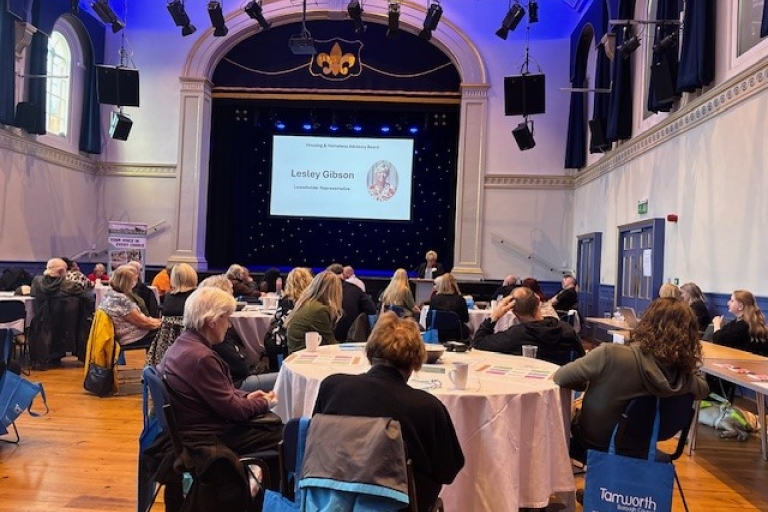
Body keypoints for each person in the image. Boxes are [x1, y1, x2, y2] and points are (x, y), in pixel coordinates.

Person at [312, 311, 465, 512]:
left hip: (328, 501)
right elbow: (448, 472)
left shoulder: (331, 387)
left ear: (370, 351)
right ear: (415, 361)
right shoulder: (428, 407)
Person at [553, 298, 709, 459]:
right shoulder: (684, 375)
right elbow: (703, 389)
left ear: (647, 322)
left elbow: (561, 377)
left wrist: (592, 383)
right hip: (644, 445)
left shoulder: (610, 355)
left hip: (597, 441)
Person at [158, 286, 282, 462]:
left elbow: (219, 395)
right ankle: (262, 486)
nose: (229, 325)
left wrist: (246, 397)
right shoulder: (202, 358)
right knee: (284, 435)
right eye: (227, 318)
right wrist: (264, 403)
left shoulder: (181, 345)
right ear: (212, 321)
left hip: (192, 430)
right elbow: (233, 410)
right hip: (208, 436)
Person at [198, 275, 276, 392]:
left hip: (231, 385)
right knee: (286, 378)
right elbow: (241, 369)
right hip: (236, 385)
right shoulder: (215, 333)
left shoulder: (194, 335)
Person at [473, 286, 584, 365]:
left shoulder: (515, 335)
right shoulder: (566, 328)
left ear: (514, 312)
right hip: (562, 386)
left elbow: (478, 343)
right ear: (538, 301)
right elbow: (581, 357)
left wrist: (495, 315)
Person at [264, 267, 313, 370]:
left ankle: (274, 371)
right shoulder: (312, 302)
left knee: (271, 335)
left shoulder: (286, 300)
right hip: (304, 340)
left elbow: (277, 318)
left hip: (283, 342)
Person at [98, 265, 161, 346]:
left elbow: (143, 319)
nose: (135, 283)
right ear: (126, 282)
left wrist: (158, 321)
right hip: (132, 338)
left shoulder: (110, 295)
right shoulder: (121, 300)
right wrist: (162, 324)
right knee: (167, 333)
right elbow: (144, 323)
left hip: (125, 334)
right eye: (133, 280)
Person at [285, 271, 343, 354]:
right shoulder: (319, 310)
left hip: (295, 351)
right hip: (303, 355)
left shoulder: (306, 303)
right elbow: (331, 343)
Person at [327, 263, 376, 341]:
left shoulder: (324, 290)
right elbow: (372, 309)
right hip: (352, 336)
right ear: (343, 274)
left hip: (328, 336)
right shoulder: (355, 289)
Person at [712, 290, 768, 356]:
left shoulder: (744, 325)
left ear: (740, 306)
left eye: (732, 301)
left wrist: (717, 325)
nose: (728, 303)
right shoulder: (737, 322)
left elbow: (718, 341)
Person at [427, 273, 470, 341]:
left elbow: (430, 316)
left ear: (441, 284)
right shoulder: (460, 299)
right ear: (454, 284)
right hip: (457, 333)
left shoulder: (435, 299)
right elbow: (466, 319)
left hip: (439, 333)